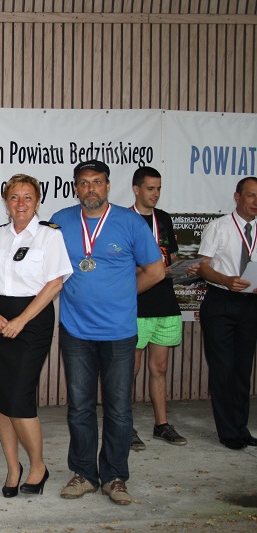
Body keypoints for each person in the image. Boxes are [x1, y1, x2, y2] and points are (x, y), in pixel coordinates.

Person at [50, 160, 164, 505]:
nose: (91, 189)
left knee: (118, 409)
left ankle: (115, 476)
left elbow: (156, 271)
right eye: (84, 183)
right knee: (80, 407)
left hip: (119, 332)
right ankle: (84, 473)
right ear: (75, 188)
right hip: (76, 331)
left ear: (108, 186)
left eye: (97, 182)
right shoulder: (60, 221)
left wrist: (125, 293)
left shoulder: (130, 222)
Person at [0, 174, 72, 498]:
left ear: (37, 202)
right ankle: (13, 467)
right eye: (14, 197)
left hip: (32, 321)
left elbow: (55, 283)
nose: (21, 203)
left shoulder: (50, 236)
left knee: (18, 398)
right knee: (0, 399)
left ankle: (38, 466)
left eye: (27, 197)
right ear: (6, 202)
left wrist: (20, 320)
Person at [196, 176, 257, 450]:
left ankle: (241, 428)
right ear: (237, 197)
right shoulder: (218, 227)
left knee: (243, 369)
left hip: (251, 304)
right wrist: (225, 280)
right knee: (223, 369)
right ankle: (228, 431)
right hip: (221, 301)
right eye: (251, 195)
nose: (256, 202)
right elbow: (203, 266)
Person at [129, 166, 186, 451]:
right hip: (137, 303)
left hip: (165, 301)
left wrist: (182, 268)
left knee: (160, 367)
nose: (155, 194)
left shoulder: (163, 218)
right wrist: (151, 270)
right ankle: (124, 426)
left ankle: (161, 424)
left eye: (159, 188)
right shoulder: (124, 219)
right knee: (131, 369)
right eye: (150, 188)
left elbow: (171, 257)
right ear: (136, 189)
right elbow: (121, 264)